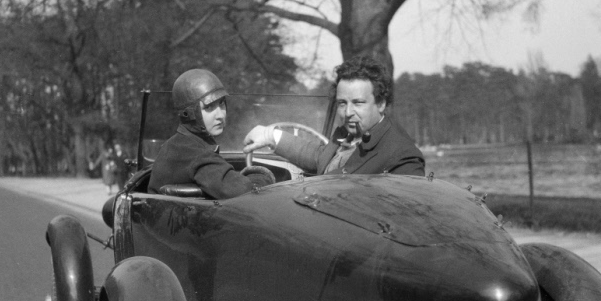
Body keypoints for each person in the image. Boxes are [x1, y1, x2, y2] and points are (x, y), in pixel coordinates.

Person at [244, 55, 425, 176]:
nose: (347, 113)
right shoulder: (348, 135)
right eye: (342, 103)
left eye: (358, 103)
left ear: (381, 103)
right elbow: (320, 157)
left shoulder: (403, 156)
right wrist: (271, 136)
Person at [148, 68, 275, 198]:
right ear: (189, 114)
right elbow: (245, 193)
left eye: (222, 104)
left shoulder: (180, 144)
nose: (220, 115)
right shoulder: (195, 154)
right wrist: (261, 176)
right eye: (209, 107)